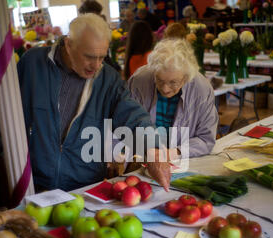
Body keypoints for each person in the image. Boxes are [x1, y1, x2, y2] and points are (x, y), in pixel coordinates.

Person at [15, 14, 171, 192]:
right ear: (68, 44)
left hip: (85, 186)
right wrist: (13, 168)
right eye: (89, 57)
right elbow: (10, 119)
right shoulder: (33, 64)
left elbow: (132, 116)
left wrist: (153, 149)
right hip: (34, 183)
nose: (96, 65)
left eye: (101, 57)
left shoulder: (108, 78)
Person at [128, 39, 219, 159]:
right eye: (160, 80)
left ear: (186, 77)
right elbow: (126, 125)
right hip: (142, 157)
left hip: (183, 159)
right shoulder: (139, 81)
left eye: (173, 82)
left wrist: (172, 153)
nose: (165, 89)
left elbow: (206, 139)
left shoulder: (201, 89)